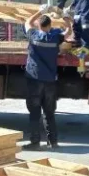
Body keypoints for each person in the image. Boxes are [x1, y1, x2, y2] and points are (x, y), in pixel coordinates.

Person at [21, 9, 71, 150]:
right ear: (50, 25)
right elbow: (68, 32)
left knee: (34, 113)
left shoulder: (33, 35)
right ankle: (53, 142)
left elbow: (28, 22)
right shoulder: (55, 37)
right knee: (49, 113)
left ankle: (35, 142)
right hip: (49, 81)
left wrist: (40, 11)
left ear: (39, 25)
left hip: (34, 79)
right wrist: (65, 18)